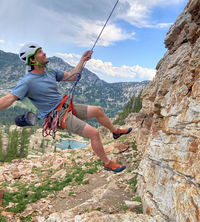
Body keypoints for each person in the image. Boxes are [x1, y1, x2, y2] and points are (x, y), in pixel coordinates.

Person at [0, 43, 132, 172]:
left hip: (66, 107)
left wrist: (83, 59)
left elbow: (72, 76)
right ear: (33, 60)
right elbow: (9, 98)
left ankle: (115, 131)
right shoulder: (27, 82)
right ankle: (107, 163)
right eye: (39, 52)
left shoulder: (50, 72)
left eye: (42, 50)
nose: (44, 53)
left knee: (98, 110)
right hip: (57, 116)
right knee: (94, 133)